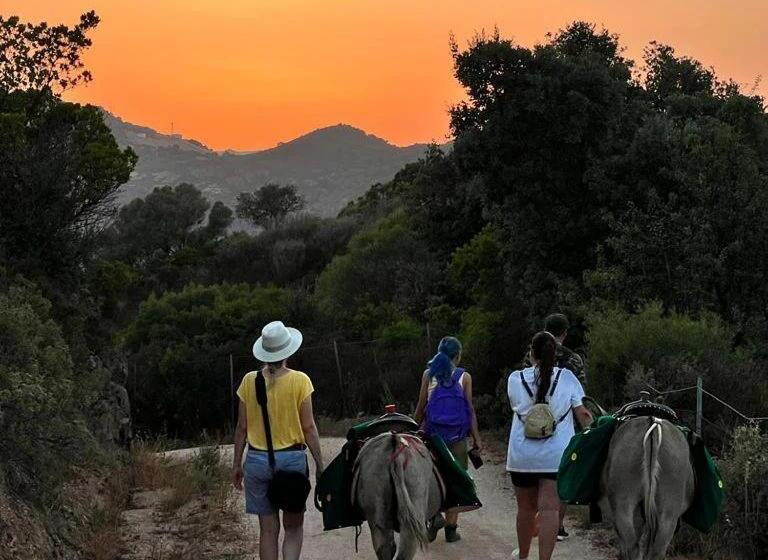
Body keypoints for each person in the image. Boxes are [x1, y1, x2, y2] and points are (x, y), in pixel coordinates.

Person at [232, 321, 324, 560]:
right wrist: (320, 465)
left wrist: (236, 465)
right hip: (292, 461)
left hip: (256, 462)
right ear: (288, 350)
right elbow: (309, 427)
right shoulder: (300, 381)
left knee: (268, 531)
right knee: (293, 528)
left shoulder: (248, 382)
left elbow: (241, 428)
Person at [507, 331, 592, 560]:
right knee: (550, 510)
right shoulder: (568, 378)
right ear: (555, 354)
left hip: (522, 457)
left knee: (525, 509)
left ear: (531, 353)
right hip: (556, 456)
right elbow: (583, 415)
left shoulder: (515, 379)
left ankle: (523, 555)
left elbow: (517, 406)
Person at [414, 336, 482, 543]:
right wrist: (476, 438)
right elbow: (469, 410)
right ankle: (451, 530)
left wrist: (414, 428)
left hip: (432, 437)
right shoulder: (465, 377)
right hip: (457, 438)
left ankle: (435, 517)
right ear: (458, 356)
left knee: (431, 479)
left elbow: (421, 406)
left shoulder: (429, 374)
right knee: (456, 479)